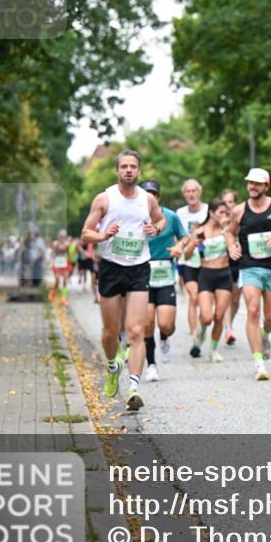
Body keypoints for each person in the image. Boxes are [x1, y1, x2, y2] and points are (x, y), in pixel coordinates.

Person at [81, 150, 167, 412]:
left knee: (136, 331)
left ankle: (132, 388)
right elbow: (85, 233)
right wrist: (103, 235)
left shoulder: (147, 199)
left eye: (133, 167)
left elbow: (160, 219)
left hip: (139, 267)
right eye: (124, 167)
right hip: (110, 268)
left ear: (139, 170)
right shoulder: (105, 199)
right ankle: (112, 366)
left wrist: (157, 228)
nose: (128, 170)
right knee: (110, 332)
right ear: (117, 170)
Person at [227, 168, 271, 380]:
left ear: (266, 186)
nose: (252, 187)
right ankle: (259, 363)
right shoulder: (239, 211)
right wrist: (231, 247)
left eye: (257, 183)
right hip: (249, 267)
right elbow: (231, 233)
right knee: (252, 310)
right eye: (250, 183)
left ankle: (263, 334)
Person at [138, 179, 193, 382]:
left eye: (154, 194)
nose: (150, 198)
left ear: (158, 197)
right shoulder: (135, 218)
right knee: (147, 323)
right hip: (142, 274)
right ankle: (151, 364)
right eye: (146, 195)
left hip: (165, 274)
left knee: (166, 324)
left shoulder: (170, 216)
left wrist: (180, 247)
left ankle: (164, 338)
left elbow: (185, 237)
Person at [190, 197, 233, 363]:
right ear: (212, 213)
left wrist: (226, 230)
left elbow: (234, 247)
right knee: (207, 317)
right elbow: (187, 256)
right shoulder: (200, 231)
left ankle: (213, 350)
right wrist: (193, 245)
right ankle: (201, 330)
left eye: (226, 212)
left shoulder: (228, 230)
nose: (224, 215)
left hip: (224, 274)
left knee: (219, 316)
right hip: (206, 275)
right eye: (221, 212)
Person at [175, 179, 208, 355]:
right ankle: (195, 336)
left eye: (194, 190)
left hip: (207, 260)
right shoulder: (179, 213)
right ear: (184, 194)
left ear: (199, 192)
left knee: (206, 304)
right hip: (187, 260)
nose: (191, 194)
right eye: (187, 191)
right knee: (193, 297)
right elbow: (177, 235)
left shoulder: (208, 210)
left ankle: (203, 326)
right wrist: (181, 246)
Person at [220, 188, 241, 346]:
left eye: (231, 202)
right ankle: (228, 329)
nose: (228, 205)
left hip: (239, 262)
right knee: (226, 298)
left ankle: (230, 324)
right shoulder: (216, 219)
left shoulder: (240, 218)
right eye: (225, 202)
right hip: (222, 263)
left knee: (235, 299)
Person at [50, 230, 72, 306]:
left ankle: (64, 299)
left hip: (65, 263)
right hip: (57, 263)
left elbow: (68, 253)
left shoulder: (67, 244)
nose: (62, 238)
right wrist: (52, 262)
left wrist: (70, 262)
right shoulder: (55, 244)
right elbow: (53, 253)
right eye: (61, 236)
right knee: (57, 281)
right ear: (58, 236)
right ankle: (53, 293)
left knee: (65, 280)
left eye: (64, 236)